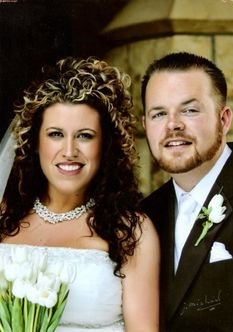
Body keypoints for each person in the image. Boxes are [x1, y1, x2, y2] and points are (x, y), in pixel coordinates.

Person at [0, 56, 160, 331]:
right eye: (55, 134)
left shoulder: (131, 233)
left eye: (85, 135)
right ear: (35, 142)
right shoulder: (4, 217)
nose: (70, 150)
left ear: (105, 145)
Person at [140, 51, 233, 332]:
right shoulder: (144, 217)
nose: (172, 124)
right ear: (145, 125)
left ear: (224, 119)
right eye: (158, 114)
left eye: (189, 110)